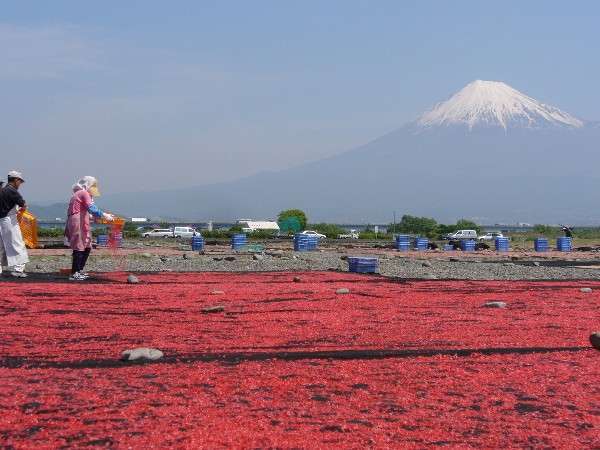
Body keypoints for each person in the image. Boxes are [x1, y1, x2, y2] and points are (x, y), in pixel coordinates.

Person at [65, 176, 114, 281]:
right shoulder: (83, 193)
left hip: (82, 221)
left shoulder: (79, 194)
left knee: (87, 245)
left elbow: (88, 211)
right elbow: (92, 208)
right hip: (78, 221)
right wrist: (104, 215)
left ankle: (79, 270)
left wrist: (100, 217)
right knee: (79, 245)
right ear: (87, 185)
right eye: (92, 186)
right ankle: (75, 272)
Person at [0, 171, 29, 278]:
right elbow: (23, 204)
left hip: (1, 220)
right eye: (20, 181)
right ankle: (18, 269)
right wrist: (23, 207)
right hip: (10, 220)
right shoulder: (12, 191)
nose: (20, 184)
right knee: (18, 244)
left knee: (2, 245)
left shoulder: (2, 190)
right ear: (16, 180)